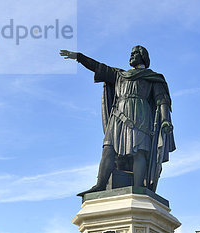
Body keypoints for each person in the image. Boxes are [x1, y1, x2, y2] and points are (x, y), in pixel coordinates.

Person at [60, 46, 175, 193]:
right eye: (131, 53)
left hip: (140, 114)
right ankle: (100, 185)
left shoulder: (153, 78)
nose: (131, 55)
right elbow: (98, 67)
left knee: (140, 151)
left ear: (143, 57)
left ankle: (139, 188)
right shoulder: (119, 75)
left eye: (135, 53)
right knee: (108, 149)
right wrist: (79, 57)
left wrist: (165, 119)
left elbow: (162, 100)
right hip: (118, 115)